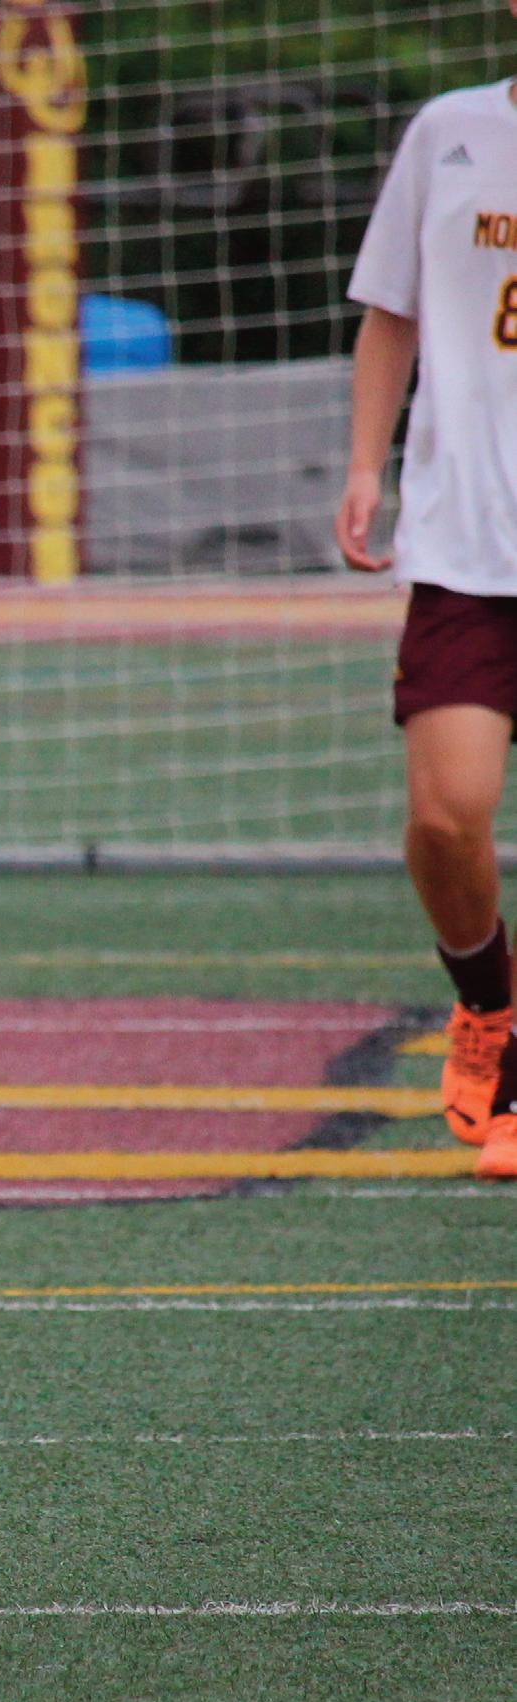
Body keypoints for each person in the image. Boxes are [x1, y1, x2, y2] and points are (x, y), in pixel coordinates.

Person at [334, 17, 517, 1173]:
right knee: (447, 814)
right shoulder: (448, 132)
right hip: (465, 541)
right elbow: (389, 309)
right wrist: (364, 464)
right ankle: (488, 1005)